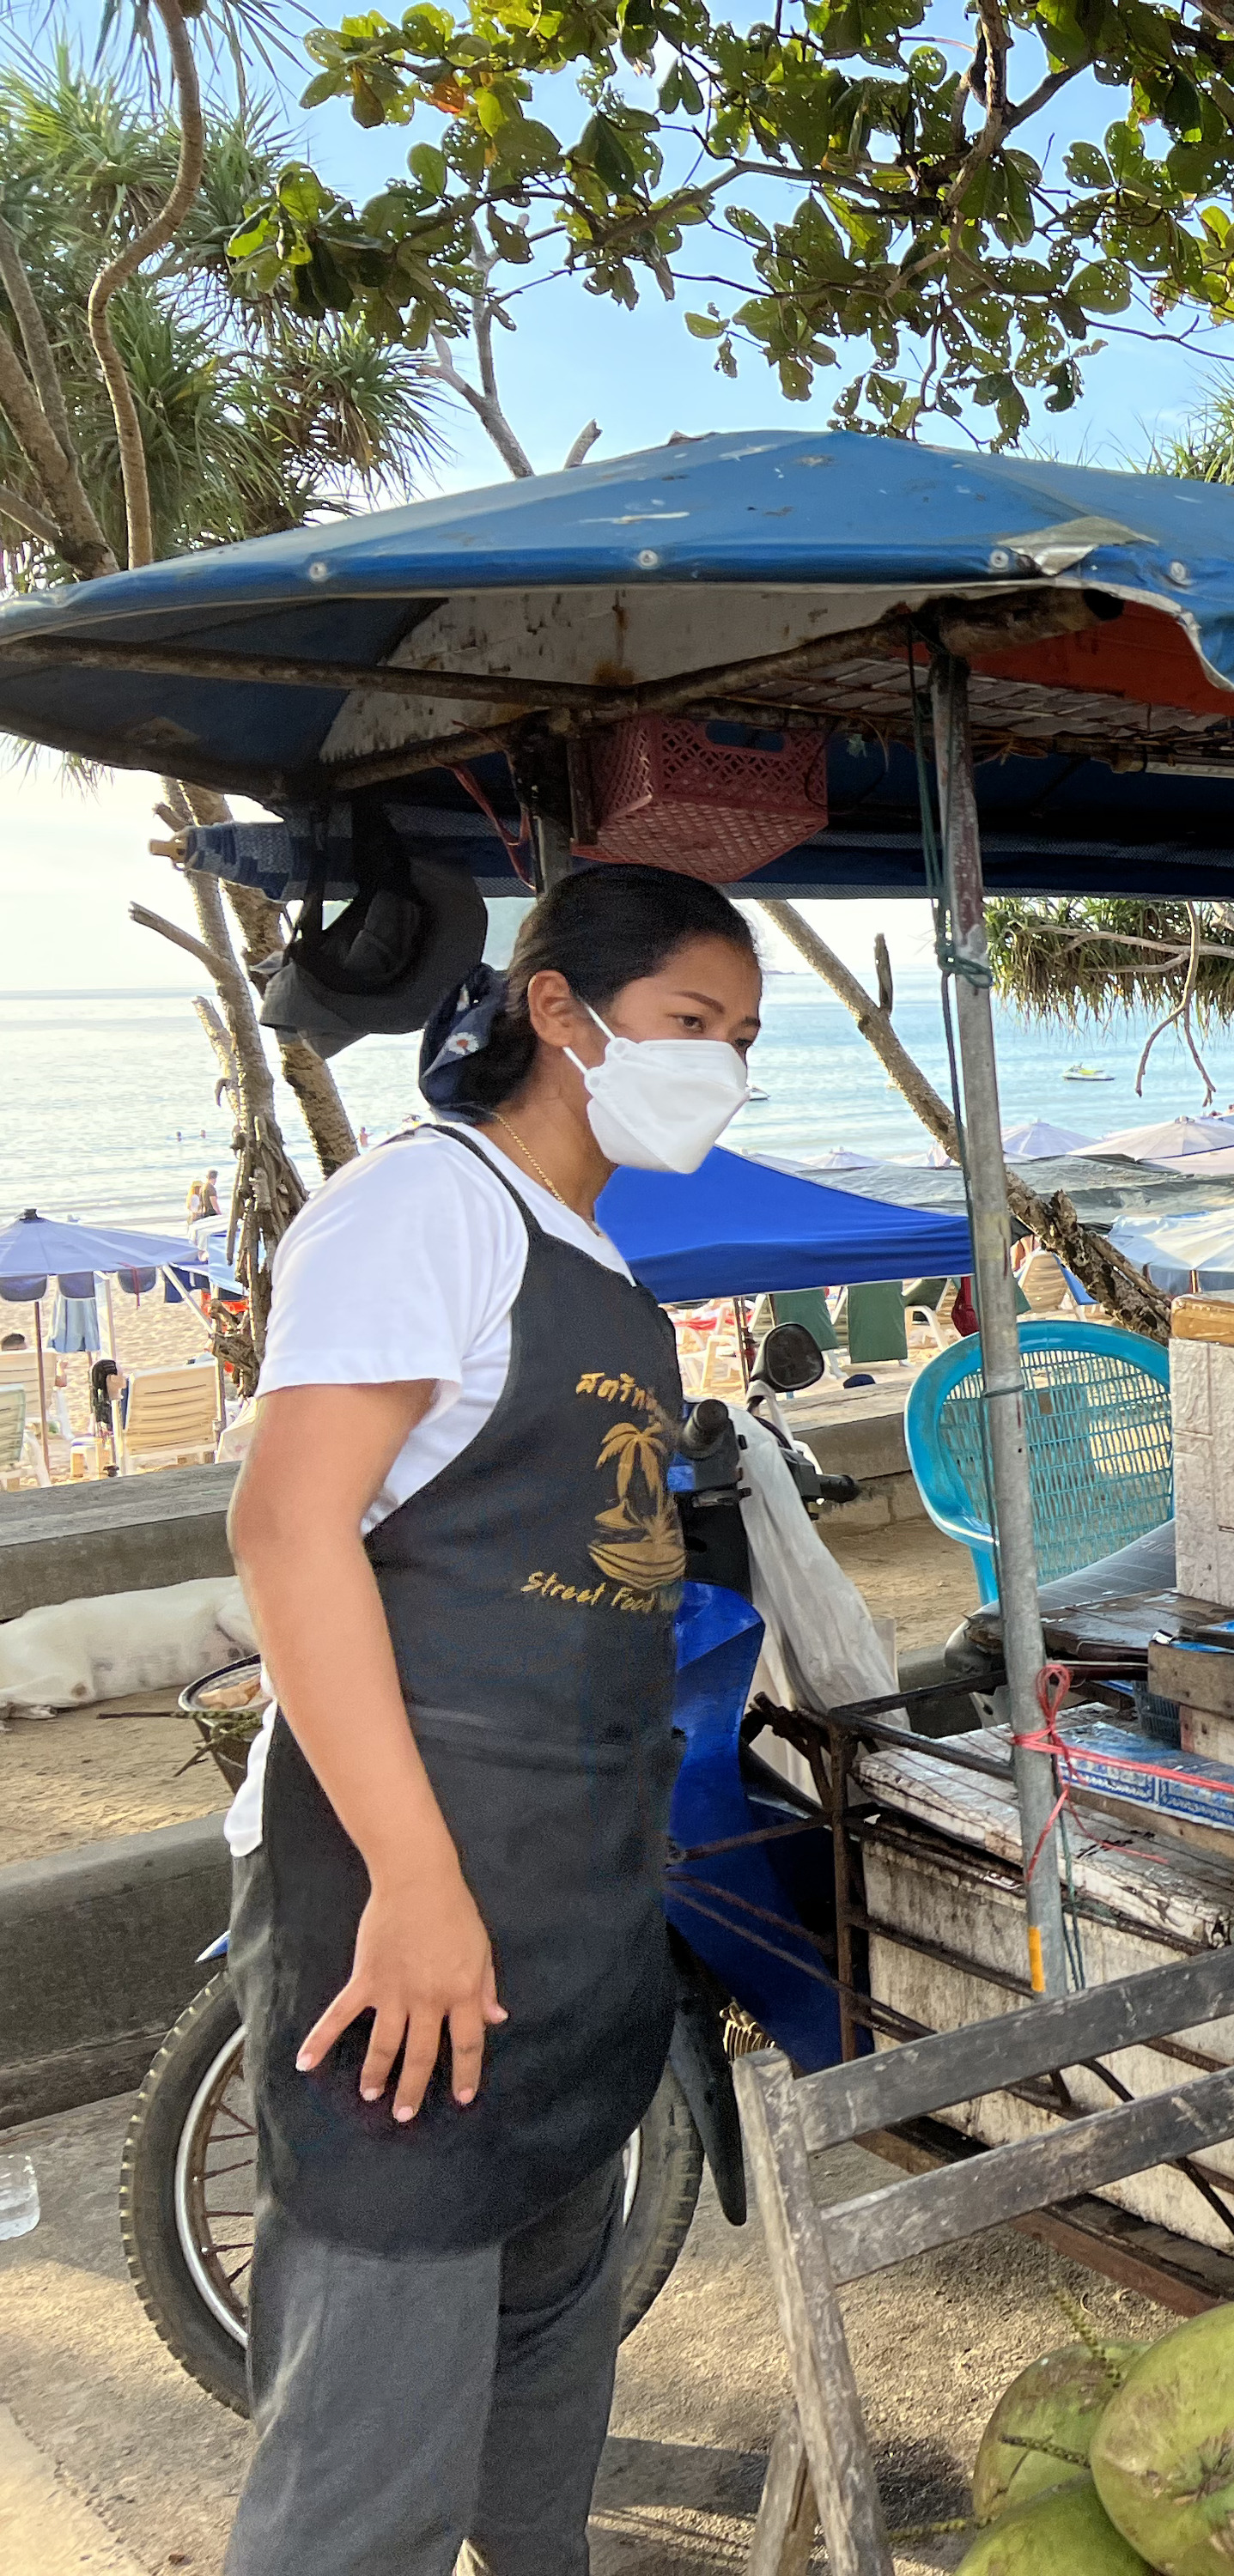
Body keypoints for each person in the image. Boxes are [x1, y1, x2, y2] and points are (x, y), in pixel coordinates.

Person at [221, 861, 763, 2576]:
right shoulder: (423, 1210)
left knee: (544, 2418)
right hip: (412, 1920)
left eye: (742, 1040)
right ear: (556, 1009)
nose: (722, 1067)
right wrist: (416, 1884)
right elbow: (288, 1529)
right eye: (692, 1025)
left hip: (571, 1920)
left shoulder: (597, 1269)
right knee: (368, 2468)